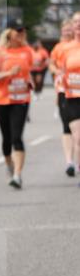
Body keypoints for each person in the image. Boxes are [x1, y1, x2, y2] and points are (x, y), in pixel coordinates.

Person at [0, 21, 34, 189]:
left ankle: (17, 174)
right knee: (6, 139)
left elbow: (28, 72)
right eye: (19, 31)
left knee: (17, 137)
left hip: (21, 100)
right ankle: (9, 165)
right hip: (2, 99)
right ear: (9, 33)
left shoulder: (27, 51)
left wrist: (29, 82)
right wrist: (9, 73)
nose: (22, 34)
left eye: (24, 31)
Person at [55, 11, 80, 181]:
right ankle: (74, 165)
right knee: (77, 135)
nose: (78, 25)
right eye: (76, 21)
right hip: (71, 96)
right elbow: (59, 70)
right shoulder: (65, 48)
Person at [50, 20, 75, 176]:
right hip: (63, 90)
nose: (66, 33)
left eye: (69, 30)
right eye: (64, 30)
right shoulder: (58, 48)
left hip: (77, 90)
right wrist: (58, 71)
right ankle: (69, 161)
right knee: (67, 126)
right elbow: (51, 64)